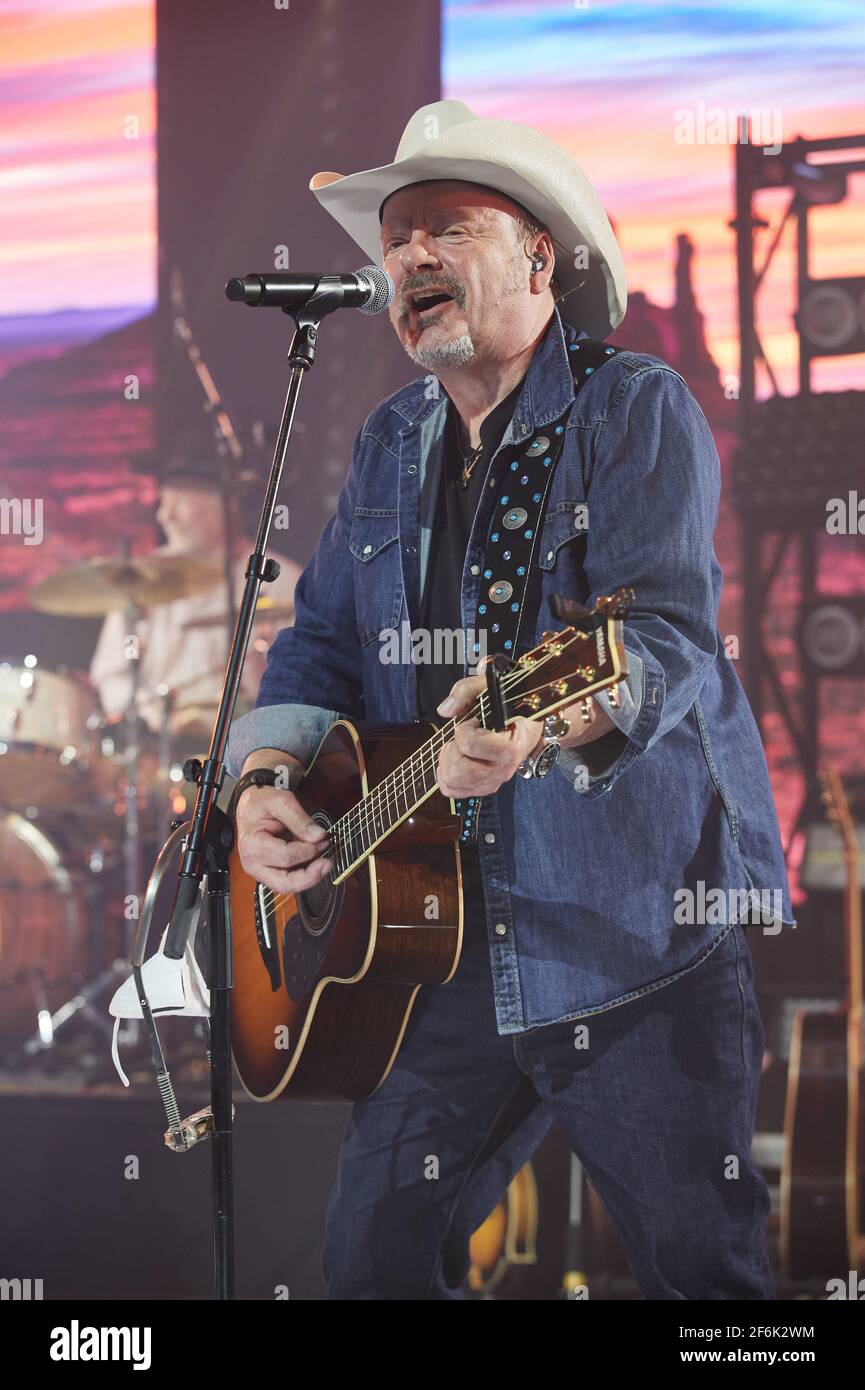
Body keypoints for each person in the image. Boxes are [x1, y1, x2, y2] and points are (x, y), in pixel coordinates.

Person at [226, 100, 793, 1300]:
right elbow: (318, 642)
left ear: (540, 253)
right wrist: (266, 783)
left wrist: (546, 717)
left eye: (444, 228)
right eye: (394, 241)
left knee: (711, 1287)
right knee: (369, 1268)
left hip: (633, 943)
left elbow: (665, 634)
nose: (407, 260)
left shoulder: (633, 407)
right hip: (436, 952)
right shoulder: (388, 442)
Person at [90, 447, 300, 741]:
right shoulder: (139, 580)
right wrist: (156, 714)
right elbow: (110, 676)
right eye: (163, 501)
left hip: (247, 749)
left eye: (179, 501)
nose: (165, 515)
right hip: (161, 752)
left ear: (224, 505)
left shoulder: (283, 582)